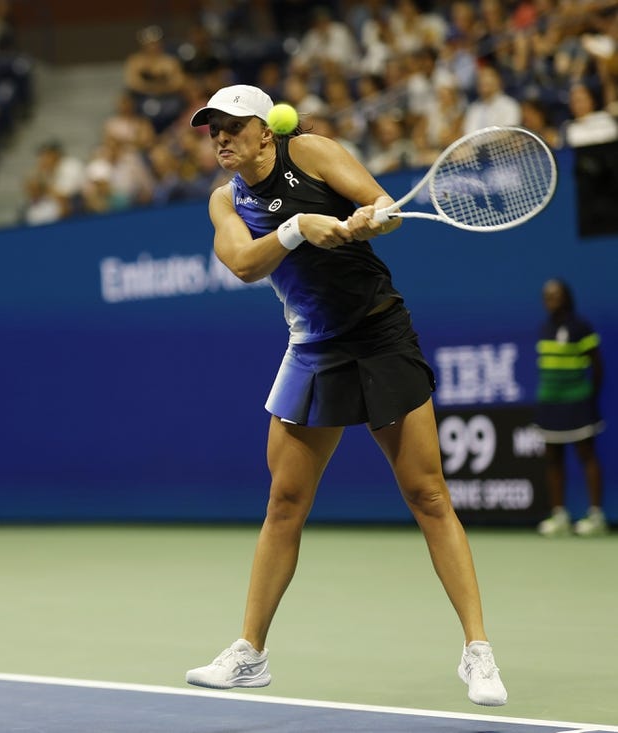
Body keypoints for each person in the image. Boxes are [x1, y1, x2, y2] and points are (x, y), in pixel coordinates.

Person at [181, 84, 507, 707]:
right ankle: (249, 653)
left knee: (428, 493)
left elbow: (382, 206)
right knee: (284, 502)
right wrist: (300, 228)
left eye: (230, 125)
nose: (219, 136)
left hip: (380, 333)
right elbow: (245, 264)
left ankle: (478, 653)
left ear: (264, 131)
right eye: (211, 128)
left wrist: (372, 217)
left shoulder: (314, 152)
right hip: (312, 348)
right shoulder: (225, 200)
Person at [534, 279, 607, 537]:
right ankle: (559, 516)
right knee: (553, 459)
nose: (550, 299)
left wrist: (589, 397)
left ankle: (596, 516)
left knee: (587, 455)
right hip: (550, 404)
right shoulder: (544, 328)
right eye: (546, 295)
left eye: (555, 295)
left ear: (566, 297)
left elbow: (597, 365)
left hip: (578, 402)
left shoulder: (581, 327)